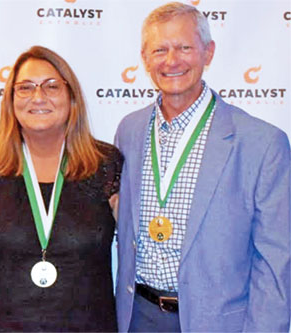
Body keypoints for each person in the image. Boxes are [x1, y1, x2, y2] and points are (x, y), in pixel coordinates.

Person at [114, 2, 290, 332]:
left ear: (208, 53)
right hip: (138, 317)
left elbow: (276, 262)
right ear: (145, 58)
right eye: (160, 49)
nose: (172, 60)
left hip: (219, 323)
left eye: (184, 47)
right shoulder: (129, 131)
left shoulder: (262, 143)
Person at [0, 45, 123, 332]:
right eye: (25, 87)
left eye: (52, 86)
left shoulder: (105, 166)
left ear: (72, 98)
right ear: (10, 99)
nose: (38, 97)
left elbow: (140, 244)